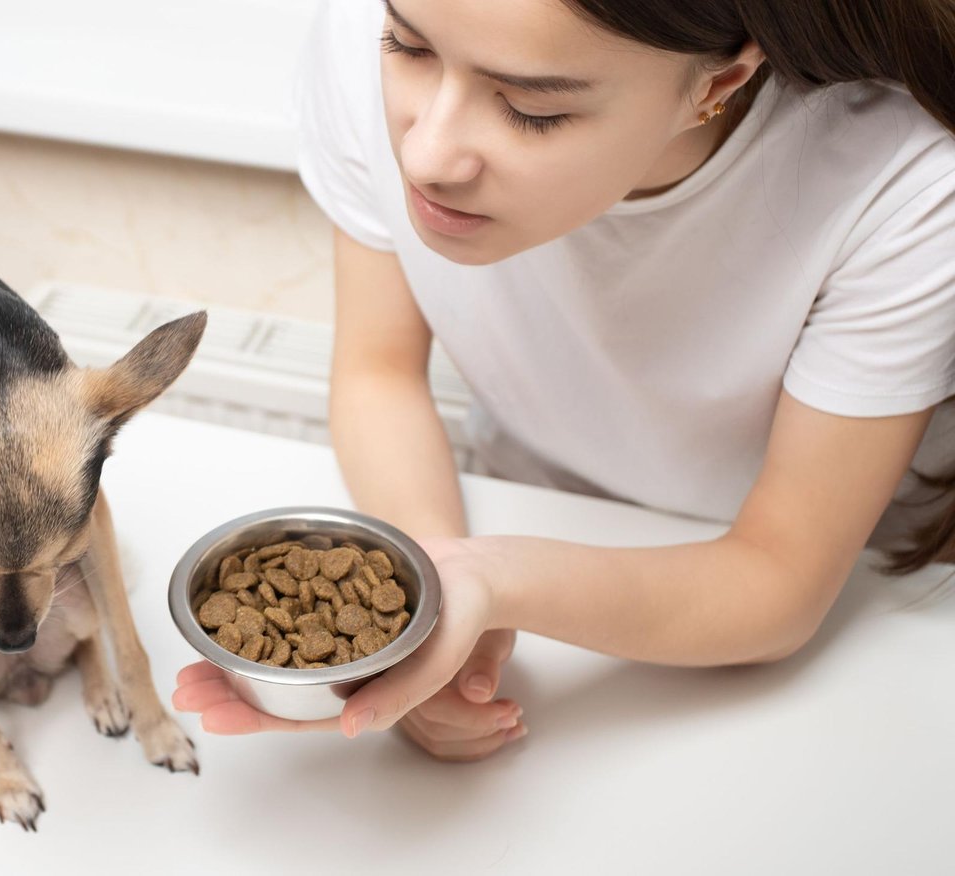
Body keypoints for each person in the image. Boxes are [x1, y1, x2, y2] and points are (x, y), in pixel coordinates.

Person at [172, 0, 955, 761]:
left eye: (530, 110)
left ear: (716, 86)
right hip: (528, 502)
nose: (426, 156)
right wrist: (432, 615)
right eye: (410, 51)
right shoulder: (376, 23)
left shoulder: (908, 183)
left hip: (848, 637)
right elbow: (380, 375)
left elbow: (780, 579)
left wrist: (493, 581)